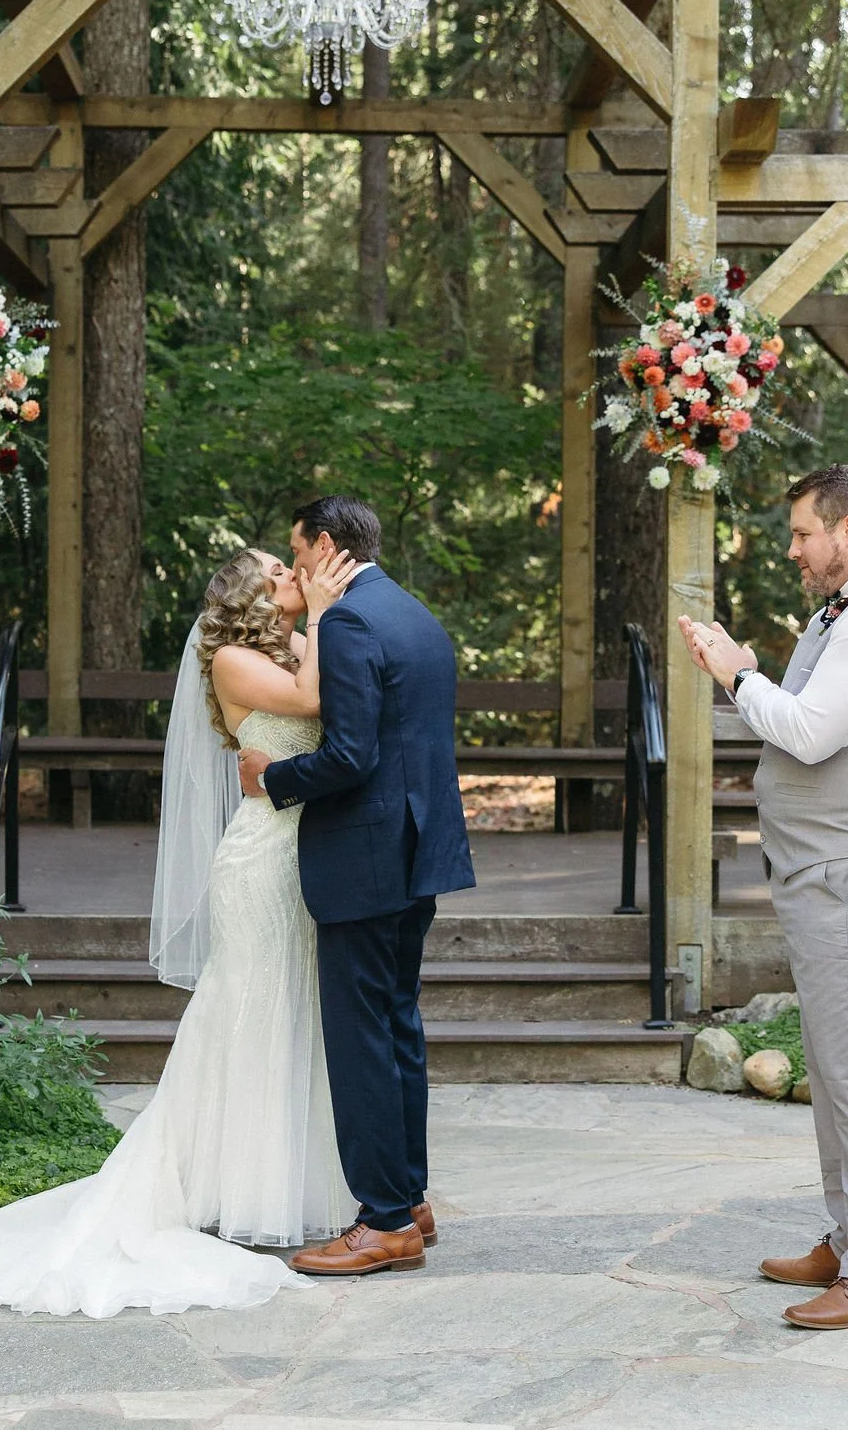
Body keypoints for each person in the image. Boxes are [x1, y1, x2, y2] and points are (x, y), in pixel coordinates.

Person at [0, 545, 361, 1316]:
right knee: (241, 1015)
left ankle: (277, 1184)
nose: (295, 575)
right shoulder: (237, 661)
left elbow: (337, 693)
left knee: (289, 1016)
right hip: (258, 862)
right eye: (280, 571)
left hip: (303, 854)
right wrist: (328, 609)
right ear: (250, 595)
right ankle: (211, 1186)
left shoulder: (300, 642)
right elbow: (312, 704)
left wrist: (321, 622)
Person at [678, 464, 848, 1332]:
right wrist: (754, 673)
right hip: (826, 867)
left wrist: (734, 673)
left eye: (802, 533)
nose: (793, 549)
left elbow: (809, 730)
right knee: (834, 1066)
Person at [239, 494, 477, 1277]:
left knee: (362, 1040)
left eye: (298, 549)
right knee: (397, 1026)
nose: (296, 564)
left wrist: (274, 776)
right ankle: (408, 1199)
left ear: (327, 546)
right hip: (418, 854)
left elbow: (348, 757)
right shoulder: (411, 611)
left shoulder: (344, 623)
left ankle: (382, 1222)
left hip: (366, 859)